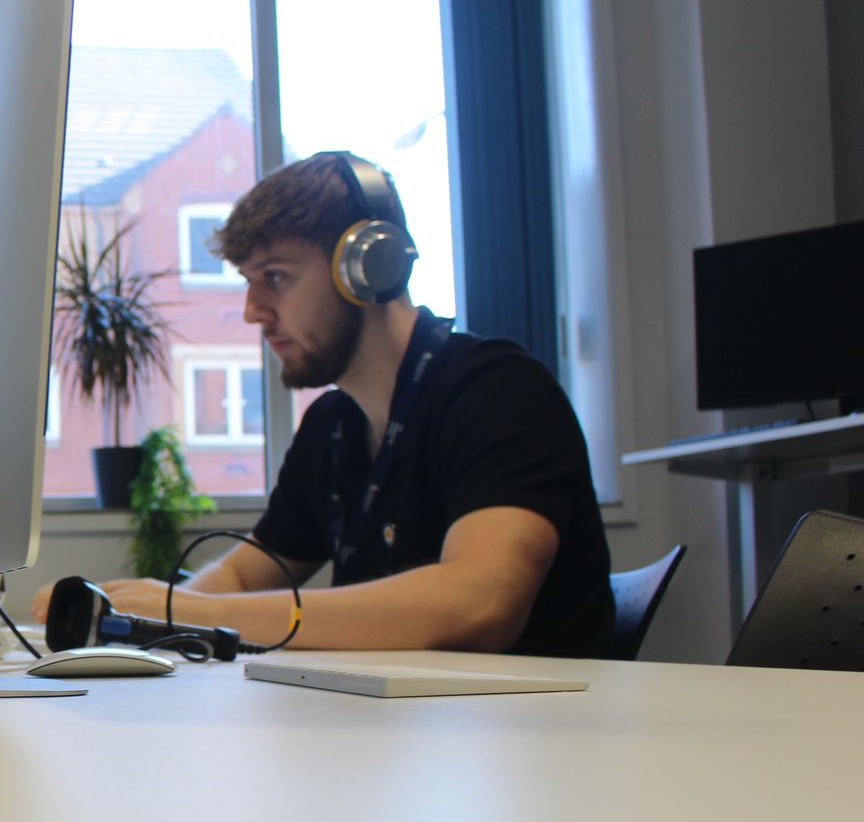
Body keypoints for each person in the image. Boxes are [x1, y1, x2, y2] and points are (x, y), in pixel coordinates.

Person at [34, 151, 614, 658]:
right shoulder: (332, 426)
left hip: (533, 737)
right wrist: (143, 612)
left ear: (369, 266)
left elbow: (479, 604)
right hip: (419, 732)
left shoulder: (498, 391)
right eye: (248, 281)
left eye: (275, 277)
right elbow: (242, 576)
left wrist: (195, 613)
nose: (253, 311)